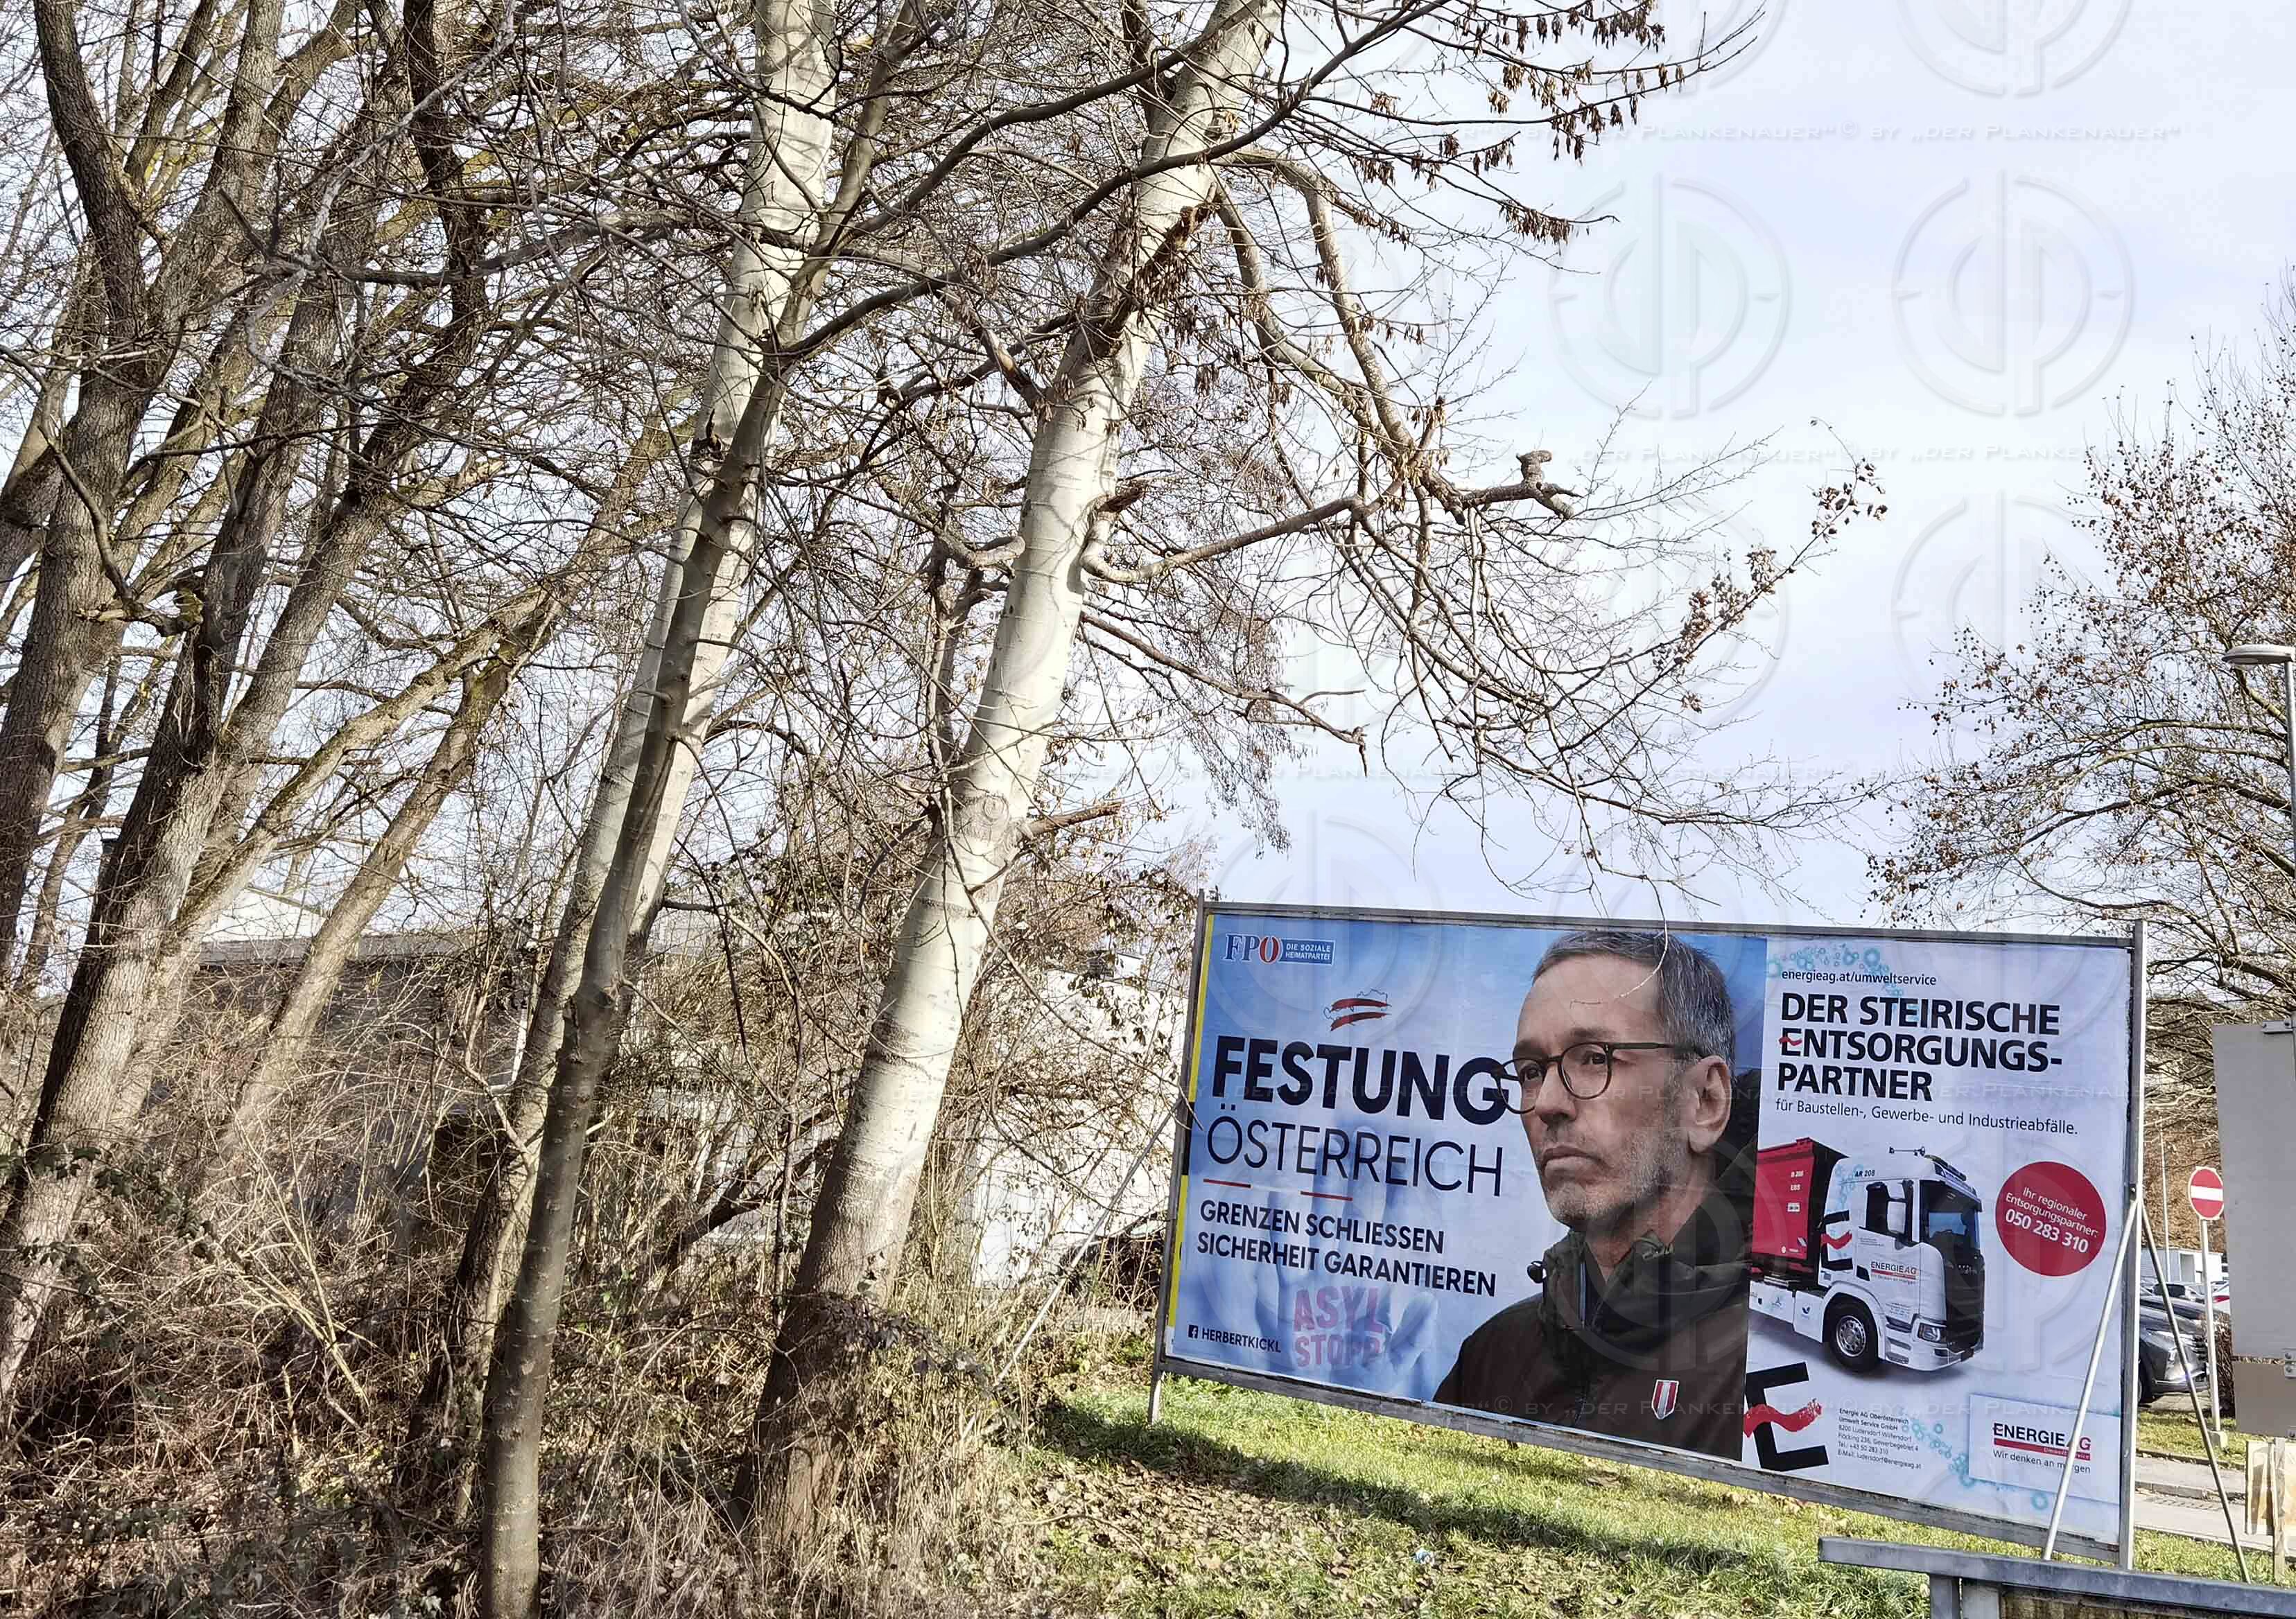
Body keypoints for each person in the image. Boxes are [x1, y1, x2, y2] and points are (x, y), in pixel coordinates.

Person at [1434, 929, 1750, 1458]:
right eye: (1532, 1071)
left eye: (1595, 1058)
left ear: (1705, 1101)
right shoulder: (1493, 1355)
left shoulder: (1776, 1363)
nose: (1547, 1103)